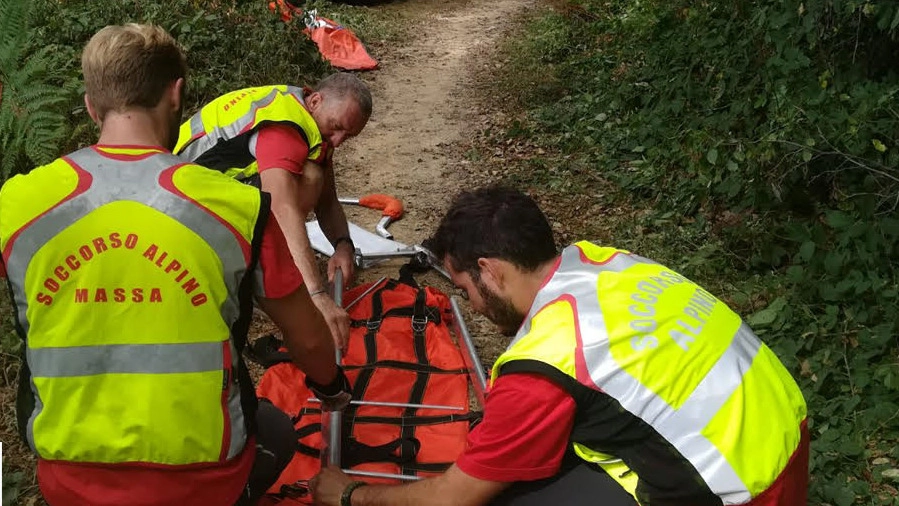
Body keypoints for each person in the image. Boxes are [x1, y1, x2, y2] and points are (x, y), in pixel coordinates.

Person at [0, 24, 351, 506]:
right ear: (176, 94)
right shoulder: (237, 207)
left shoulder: (17, 203)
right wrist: (331, 387)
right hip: (205, 480)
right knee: (277, 432)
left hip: (69, 479)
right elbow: (309, 338)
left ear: (89, 104)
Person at [309, 186, 809, 506]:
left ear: (490, 271)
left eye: (465, 290)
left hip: (742, 492)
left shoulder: (543, 363)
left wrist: (353, 493)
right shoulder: (606, 262)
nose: (473, 306)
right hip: (783, 443)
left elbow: (454, 497)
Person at [173, 73, 372, 351]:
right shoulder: (284, 127)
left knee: (313, 175)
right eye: (336, 127)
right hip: (178, 208)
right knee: (307, 178)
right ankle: (254, 275)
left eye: (348, 136)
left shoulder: (305, 114)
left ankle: (262, 269)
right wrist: (316, 296)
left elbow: (327, 201)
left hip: (201, 190)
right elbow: (282, 206)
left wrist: (343, 246)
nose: (337, 141)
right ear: (316, 100)